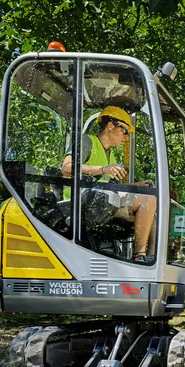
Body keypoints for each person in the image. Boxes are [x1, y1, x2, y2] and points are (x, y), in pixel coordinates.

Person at [61, 106, 156, 263]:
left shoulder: (109, 153)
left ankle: (152, 257)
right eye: (124, 131)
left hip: (102, 201)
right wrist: (103, 169)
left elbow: (108, 184)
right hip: (83, 203)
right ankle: (140, 256)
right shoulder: (86, 141)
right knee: (148, 201)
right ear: (110, 125)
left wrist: (135, 185)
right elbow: (66, 168)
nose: (126, 137)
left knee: (153, 208)